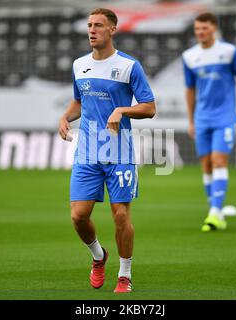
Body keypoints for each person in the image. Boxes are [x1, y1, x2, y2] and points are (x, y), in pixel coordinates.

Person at [58, 8, 156, 293]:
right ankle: (99, 256)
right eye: (89, 25)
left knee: (121, 215)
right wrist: (65, 117)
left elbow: (149, 108)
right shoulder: (80, 65)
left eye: (98, 25)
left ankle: (125, 275)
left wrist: (122, 109)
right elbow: (79, 101)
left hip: (119, 152)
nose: (92, 30)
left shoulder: (128, 66)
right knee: (78, 216)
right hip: (87, 152)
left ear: (112, 29)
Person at [182, 12, 236, 232]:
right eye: (197, 29)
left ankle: (213, 213)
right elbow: (190, 89)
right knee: (207, 165)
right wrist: (191, 120)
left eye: (204, 28)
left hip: (225, 117)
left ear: (214, 28)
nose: (200, 32)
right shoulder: (189, 56)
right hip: (202, 118)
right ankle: (217, 209)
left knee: (219, 160)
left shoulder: (229, 52)